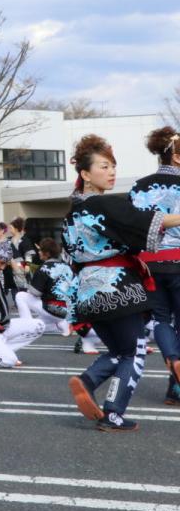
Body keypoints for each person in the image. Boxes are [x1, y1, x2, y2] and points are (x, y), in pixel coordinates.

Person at [63, 134, 180, 432]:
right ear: (85, 174)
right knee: (135, 350)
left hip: (87, 289)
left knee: (118, 350)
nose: (112, 172)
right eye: (104, 166)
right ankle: (113, 412)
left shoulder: (73, 211)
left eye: (113, 166)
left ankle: (88, 382)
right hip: (115, 285)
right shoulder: (102, 204)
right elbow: (146, 220)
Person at [130, 126, 180, 404]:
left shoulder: (140, 186)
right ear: (177, 158)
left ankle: (173, 363)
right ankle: (176, 385)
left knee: (161, 320)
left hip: (150, 263)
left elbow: (132, 223)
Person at [14, 238, 73, 337]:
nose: (39, 252)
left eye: (41, 250)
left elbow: (35, 292)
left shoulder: (44, 268)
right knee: (38, 324)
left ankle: (28, 327)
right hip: (68, 310)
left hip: (52, 308)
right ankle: (63, 324)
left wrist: (28, 288)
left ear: (47, 253)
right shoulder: (67, 267)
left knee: (20, 295)